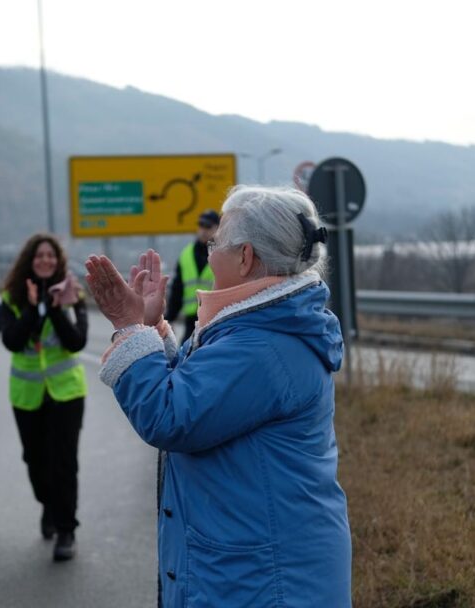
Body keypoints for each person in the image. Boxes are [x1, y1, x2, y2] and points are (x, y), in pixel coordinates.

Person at [85, 186, 352, 607]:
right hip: (257, 572)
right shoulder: (260, 328)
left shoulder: (261, 346)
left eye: (215, 243)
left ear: (245, 257)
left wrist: (127, 326)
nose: (208, 254)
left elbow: (171, 415)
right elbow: (202, 392)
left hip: (265, 584)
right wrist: (151, 327)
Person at [0, 234, 88, 562]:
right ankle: (49, 504)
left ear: (58, 261)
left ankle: (66, 530)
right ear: (29, 260)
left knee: (64, 462)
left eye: (51, 255)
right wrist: (33, 309)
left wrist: (54, 308)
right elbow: (11, 340)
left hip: (66, 392)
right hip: (27, 394)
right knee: (35, 462)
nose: (46, 260)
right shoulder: (11, 297)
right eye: (39, 255)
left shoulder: (73, 294)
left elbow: (76, 341)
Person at [164, 209, 219, 343]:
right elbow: (177, 289)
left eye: (208, 226)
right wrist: (169, 318)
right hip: (191, 321)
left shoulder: (223, 253)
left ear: (218, 228)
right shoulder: (186, 254)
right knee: (185, 351)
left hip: (215, 317)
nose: (203, 230)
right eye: (201, 225)